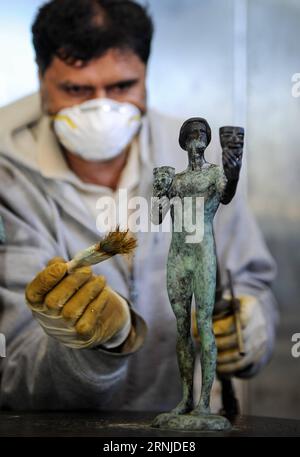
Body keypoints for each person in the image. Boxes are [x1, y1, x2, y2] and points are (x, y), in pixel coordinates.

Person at [0, 0, 278, 412]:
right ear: (42, 82)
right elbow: (14, 364)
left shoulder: (184, 151)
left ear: (146, 78)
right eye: (76, 89)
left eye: (122, 86)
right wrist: (97, 346)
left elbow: (250, 281)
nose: (101, 108)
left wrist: (254, 327)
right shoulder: (8, 177)